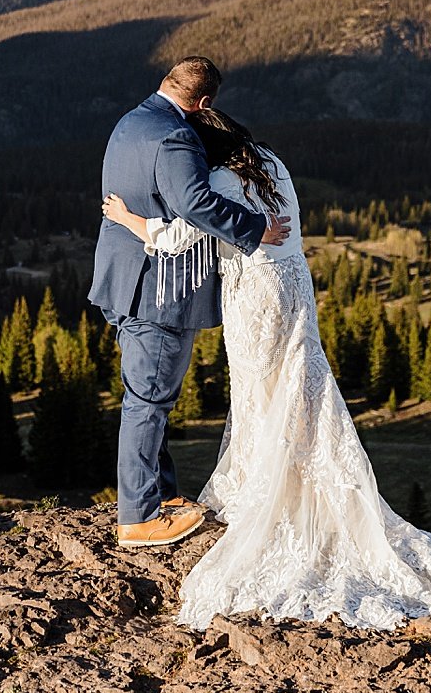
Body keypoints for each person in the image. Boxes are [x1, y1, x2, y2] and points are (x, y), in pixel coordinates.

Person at [101, 108, 431, 629]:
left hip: (254, 294)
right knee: (298, 383)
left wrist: (127, 219)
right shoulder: (272, 165)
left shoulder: (218, 179)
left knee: (260, 391)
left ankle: (273, 491)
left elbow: (180, 237)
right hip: (293, 284)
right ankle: (297, 478)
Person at [87, 57, 291, 548]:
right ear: (203, 104)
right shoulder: (177, 137)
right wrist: (256, 228)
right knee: (149, 401)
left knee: (144, 393)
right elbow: (194, 203)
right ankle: (138, 518)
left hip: (121, 280)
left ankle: (162, 495)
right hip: (160, 290)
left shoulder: (131, 121)